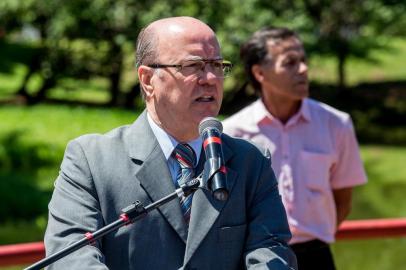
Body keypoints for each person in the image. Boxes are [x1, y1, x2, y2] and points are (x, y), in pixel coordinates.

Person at [44, 17, 297, 270]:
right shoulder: (91, 160)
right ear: (147, 80)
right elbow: (71, 256)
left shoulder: (250, 162)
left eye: (217, 65)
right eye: (193, 66)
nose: (210, 78)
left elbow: (271, 252)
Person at [223, 27, 367, 270]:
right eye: (290, 62)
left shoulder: (336, 124)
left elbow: (343, 201)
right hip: (255, 260)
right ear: (259, 72)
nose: (303, 69)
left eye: (303, 60)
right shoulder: (232, 133)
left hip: (317, 257)